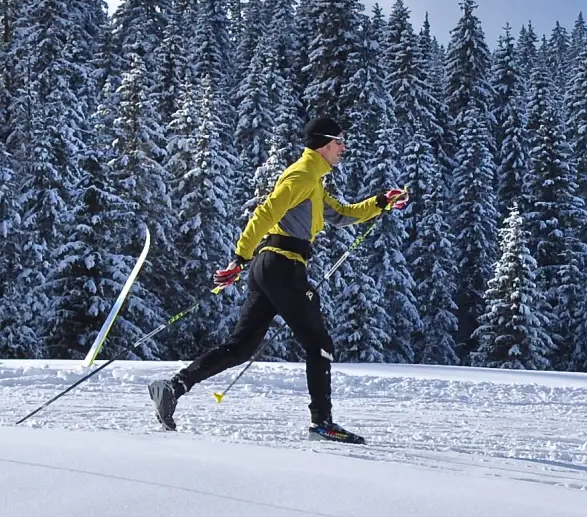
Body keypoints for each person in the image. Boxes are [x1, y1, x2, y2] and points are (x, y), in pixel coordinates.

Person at [149, 116, 409, 443]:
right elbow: (265, 212)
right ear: (323, 143)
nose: (343, 147)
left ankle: (172, 387)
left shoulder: (314, 181)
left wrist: (382, 202)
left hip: (272, 267)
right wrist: (239, 258)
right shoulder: (301, 175)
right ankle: (322, 422)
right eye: (339, 140)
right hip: (281, 265)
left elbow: (343, 215)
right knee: (320, 344)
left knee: (240, 347)